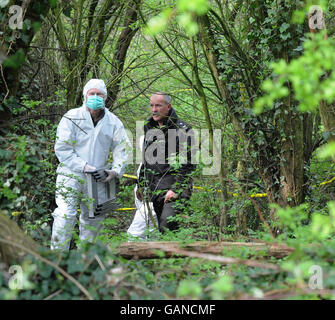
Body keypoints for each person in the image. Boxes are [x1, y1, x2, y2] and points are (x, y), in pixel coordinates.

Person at [51, 79, 131, 250]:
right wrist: (82, 165)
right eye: (92, 94)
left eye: (99, 94)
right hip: (70, 174)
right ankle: (57, 259)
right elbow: (62, 148)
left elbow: (122, 149)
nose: (95, 97)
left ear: (105, 97)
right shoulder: (72, 117)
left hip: (98, 178)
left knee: (93, 219)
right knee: (65, 215)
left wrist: (116, 171)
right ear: (85, 96)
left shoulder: (113, 122)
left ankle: (84, 262)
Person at [137, 91, 196, 233]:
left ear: (168, 106)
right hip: (155, 186)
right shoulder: (149, 127)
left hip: (176, 187)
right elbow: (147, 159)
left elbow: (188, 164)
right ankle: (174, 255)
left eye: (158, 105)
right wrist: (141, 183)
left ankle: (180, 253)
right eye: (151, 105)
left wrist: (176, 189)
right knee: (164, 230)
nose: (154, 109)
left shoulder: (183, 129)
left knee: (167, 224)